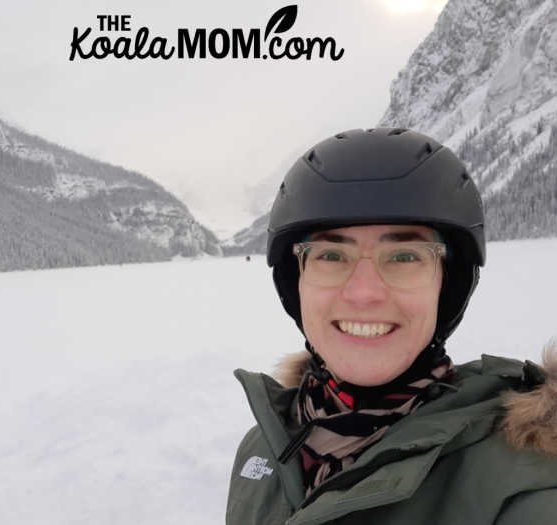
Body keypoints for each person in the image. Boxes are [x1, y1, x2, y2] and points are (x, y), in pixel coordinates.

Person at [226, 128, 557, 525]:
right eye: (331, 255)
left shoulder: (522, 484)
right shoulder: (262, 450)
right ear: (294, 283)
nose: (364, 293)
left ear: (446, 286)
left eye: (404, 256)